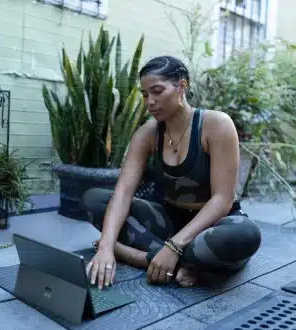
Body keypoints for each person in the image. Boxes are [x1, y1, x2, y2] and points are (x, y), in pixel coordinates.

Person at [81, 55, 261, 290]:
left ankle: (138, 256)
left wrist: (174, 246)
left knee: (246, 236)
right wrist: (105, 249)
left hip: (213, 225)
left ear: (182, 86)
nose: (150, 101)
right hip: (167, 221)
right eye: (145, 95)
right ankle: (185, 265)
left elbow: (222, 199)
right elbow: (123, 191)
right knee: (94, 200)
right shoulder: (147, 134)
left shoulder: (216, 125)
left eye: (157, 91)